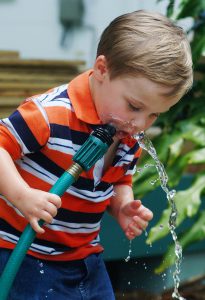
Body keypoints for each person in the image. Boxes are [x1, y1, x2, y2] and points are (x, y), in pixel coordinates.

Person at [0, 9, 192, 300]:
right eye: (134, 106)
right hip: (24, 256)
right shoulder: (49, 115)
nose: (140, 123)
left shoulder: (127, 133)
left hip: (86, 258)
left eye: (154, 115)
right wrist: (22, 196)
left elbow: (117, 180)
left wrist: (123, 207)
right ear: (102, 69)